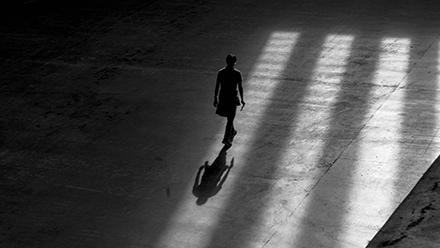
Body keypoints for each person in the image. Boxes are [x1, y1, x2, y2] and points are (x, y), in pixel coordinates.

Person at [214, 54, 245, 146]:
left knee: (229, 117)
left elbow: (217, 86)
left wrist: (215, 97)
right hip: (232, 98)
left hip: (223, 97)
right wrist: (242, 99)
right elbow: (240, 87)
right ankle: (226, 138)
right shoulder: (237, 73)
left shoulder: (221, 72)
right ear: (235, 62)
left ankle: (233, 131)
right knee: (230, 118)